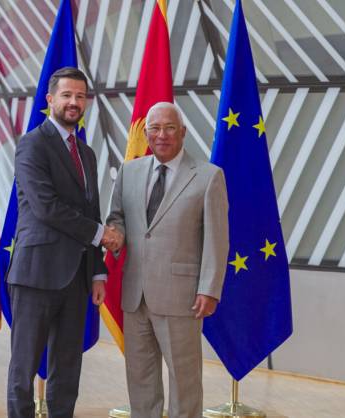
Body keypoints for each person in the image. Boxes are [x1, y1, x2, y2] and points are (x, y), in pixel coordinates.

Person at [6, 67, 118, 418]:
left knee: (67, 368)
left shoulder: (86, 153)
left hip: (77, 278)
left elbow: (92, 210)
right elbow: (46, 207)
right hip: (36, 274)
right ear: (50, 99)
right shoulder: (32, 144)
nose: (74, 102)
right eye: (67, 95)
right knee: (24, 367)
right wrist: (101, 234)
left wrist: (97, 272)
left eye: (80, 96)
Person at [106, 102, 229, 418]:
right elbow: (117, 218)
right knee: (140, 379)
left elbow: (217, 238)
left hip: (182, 298)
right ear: (146, 133)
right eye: (155, 128)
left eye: (170, 128)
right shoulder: (129, 172)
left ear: (183, 132)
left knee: (184, 381)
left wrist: (209, 289)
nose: (162, 135)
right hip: (135, 295)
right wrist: (116, 234)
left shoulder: (208, 176)